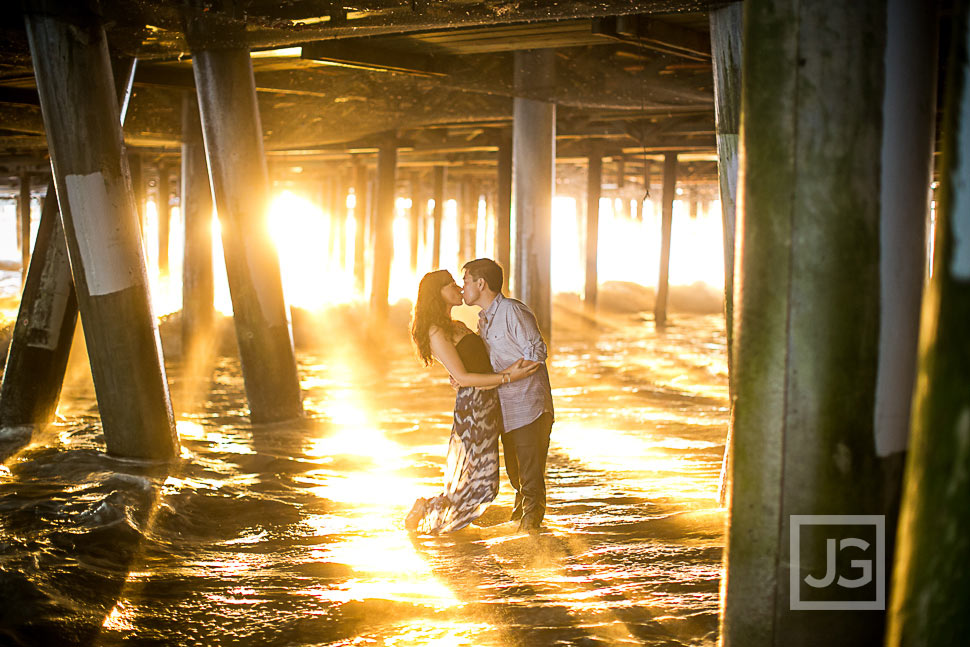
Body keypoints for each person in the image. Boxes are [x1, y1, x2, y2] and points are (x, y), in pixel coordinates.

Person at [405, 269, 540, 534]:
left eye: (459, 283)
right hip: (475, 407)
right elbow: (464, 377)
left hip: (488, 402)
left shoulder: (453, 325)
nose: (458, 288)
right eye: (451, 285)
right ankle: (426, 509)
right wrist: (507, 377)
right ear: (437, 293)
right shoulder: (435, 330)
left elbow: (468, 366)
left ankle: (445, 522)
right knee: (482, 484)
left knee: (480, 481)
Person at [460, 258, 554, 534]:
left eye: (465, 282)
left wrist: (510, 375)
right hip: (505, 409)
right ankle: (519, 533)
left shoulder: (512, 311)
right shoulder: (484, 319)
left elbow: (537, 353)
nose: (462, 288)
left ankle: (532, 542)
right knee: (516, 477)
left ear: (481, 284)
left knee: (530, 479)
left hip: (529, 407)